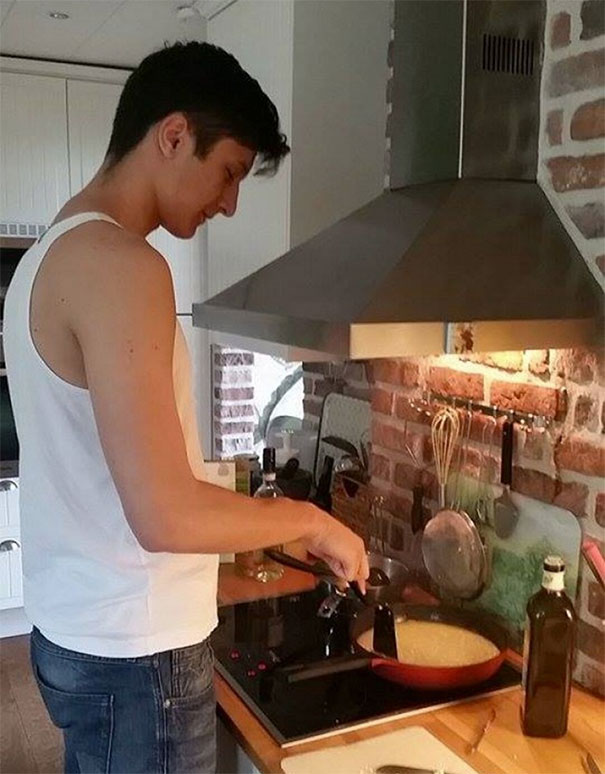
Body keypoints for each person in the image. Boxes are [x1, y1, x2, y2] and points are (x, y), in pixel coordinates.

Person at [4, 42, 368, 774]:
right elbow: (163, 515)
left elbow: (115, 489)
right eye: (228, 171)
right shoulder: (123, 267)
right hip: (138, 662)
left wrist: (263, 535)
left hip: (82, 636)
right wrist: (309, 518)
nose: (229, 201)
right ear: (172, 135)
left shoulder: (50, 253)